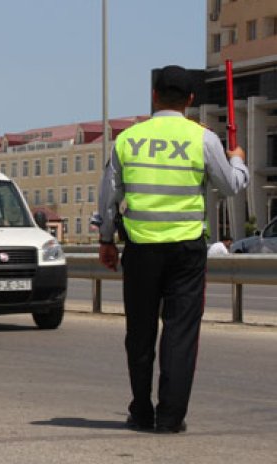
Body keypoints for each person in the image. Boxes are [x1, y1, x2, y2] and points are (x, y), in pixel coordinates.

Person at [97, 65, 248, 434]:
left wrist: (106, 240)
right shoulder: (204, 139)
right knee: (180, 333)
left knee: (140, 333)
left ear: (154, 96)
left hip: (141, 249)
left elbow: (108, 195)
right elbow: (230, 187)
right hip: (185, 251)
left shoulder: (128, 139)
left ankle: (141, 410)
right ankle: (169, 418)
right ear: (191, 100)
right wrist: (239, 158)